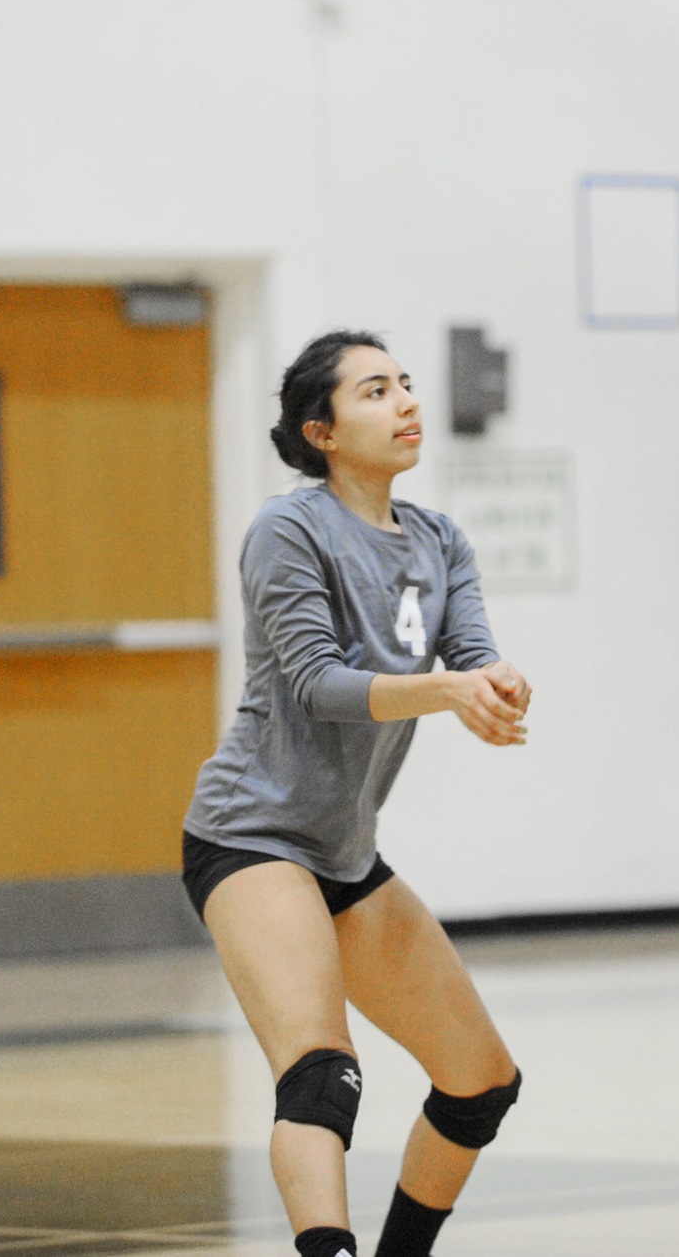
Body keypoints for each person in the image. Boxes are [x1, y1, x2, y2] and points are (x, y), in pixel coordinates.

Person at [181, 331, 531, 1257]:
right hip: (252, 837)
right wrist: (449, 693)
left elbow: (472, 656)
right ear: (321, 431)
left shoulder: (438, 540)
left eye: (407, 384)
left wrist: (494, 687)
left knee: (481, 1080)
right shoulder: (289, 529)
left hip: (345, 855)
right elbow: (315, 684)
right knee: (322, 1078)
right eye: (376, 391)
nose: (407, 402)